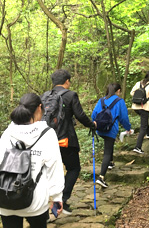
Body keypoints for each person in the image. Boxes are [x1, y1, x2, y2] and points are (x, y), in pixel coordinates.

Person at [0, 93, 64, 228]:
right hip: (35, 200)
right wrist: (56, 196)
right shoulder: (47, 133)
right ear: (40, 107)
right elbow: (54, 167)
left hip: (6, 196)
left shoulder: (8, 132)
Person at [48, 69, 96, 215]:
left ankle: (44, 207)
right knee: (74, 168)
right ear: (67, 81)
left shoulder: (45, 96)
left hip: (47, 141)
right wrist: (92, 125)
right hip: (65, 140)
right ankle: (62, 199)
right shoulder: (70, 95)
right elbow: (80, 115)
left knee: (47, 173)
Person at [91, 83, 132, 188]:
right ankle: (101, 177)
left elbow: (93, 115)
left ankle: (111, 163)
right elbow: (124, 118)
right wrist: (128, 128)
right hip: (111, 130)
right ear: (118, 91)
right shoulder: (120, 101)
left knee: (109, 145)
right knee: (107, 152)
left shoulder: (101, 100)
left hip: (100, 129)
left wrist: (94, 124)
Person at [130, 71, 149, 154]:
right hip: (144, 107)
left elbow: (132, 93)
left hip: (135, 107)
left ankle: (148, 134)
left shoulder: (138, 83)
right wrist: (148, 97)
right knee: (143, 126)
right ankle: (138, 147)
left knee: (144, 120)